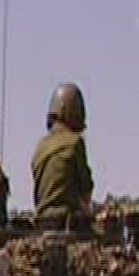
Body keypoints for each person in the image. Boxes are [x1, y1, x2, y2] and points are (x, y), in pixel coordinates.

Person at [31, 82, 94, 226]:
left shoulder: (41, 145)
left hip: (41, 220)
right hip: (67, 221)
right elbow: (86, 189)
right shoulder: (75, 142)